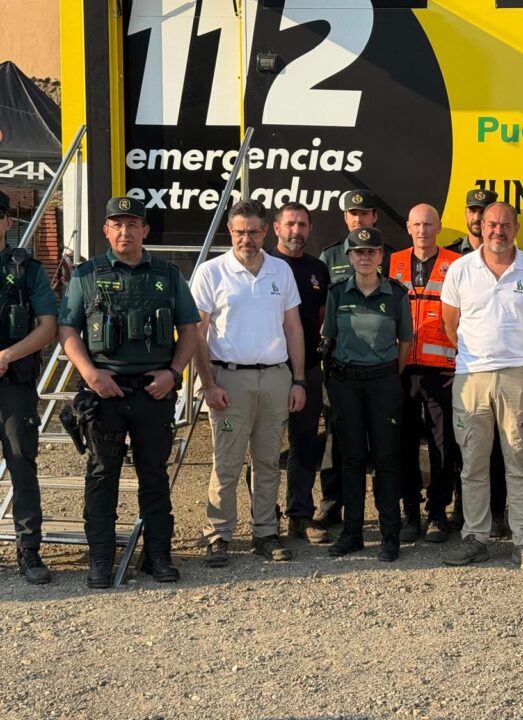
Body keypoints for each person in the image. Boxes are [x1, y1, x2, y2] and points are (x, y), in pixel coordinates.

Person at [58, 196, 199, 588]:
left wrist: (174, 372)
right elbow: (67, 331)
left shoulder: (168, 275)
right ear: (106, 230)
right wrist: (90, 374)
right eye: (117, 224)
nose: (125, 231)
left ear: (145, 231)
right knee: (102, 476)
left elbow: (190, 330)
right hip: (105, 392)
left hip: (153, 393)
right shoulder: (86, 276)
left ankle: (158, 556)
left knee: (154, 476)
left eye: (133, 224)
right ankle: (100, 559)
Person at [192, 200, 306, 567]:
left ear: (265, 232)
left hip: (275, 378)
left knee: (268, 460)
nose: (247, 238)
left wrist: (298, 380)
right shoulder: (212, 272)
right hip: (230, 379)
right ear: (231, 232)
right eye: (240, 231)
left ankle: (265, 532)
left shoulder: (281, 271)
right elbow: (198, 333)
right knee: (227, 462)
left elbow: (293, 328)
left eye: (254, 232)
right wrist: (207, 383)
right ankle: (219, 535)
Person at [440, 202, 523, 571]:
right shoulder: (460, 269)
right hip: (471, 378)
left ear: (517, 227)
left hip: (518, 376)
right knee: (473, 462)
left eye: (505, 224)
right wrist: (477, 360)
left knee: (519, 461)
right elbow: (450, 324)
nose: (497, 231)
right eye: (491, 224)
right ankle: (476, 537)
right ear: (479, 227)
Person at [322, 227, 412, 562]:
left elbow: (405, 344)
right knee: (352, 458)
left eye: (371, 252)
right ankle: (353, 533)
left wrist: (385, 373)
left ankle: (390, 536)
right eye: (358, 252)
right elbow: (328, 337)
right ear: (349, 256)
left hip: (383, 384)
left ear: (380, 256)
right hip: (346, 385)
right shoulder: (337, 294)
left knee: (387, 459)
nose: (364, 257)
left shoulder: (396, 295)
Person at [389, 203, 460, 544]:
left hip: (442, 370)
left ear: (439, 227)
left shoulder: (457, 264)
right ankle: (410, 512)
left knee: (443, 445)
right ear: (407, 227)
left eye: (429, 224)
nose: (422, 230)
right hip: (402, 369)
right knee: (402, 443)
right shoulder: (392, 262)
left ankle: (437, 512)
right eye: (417, 224)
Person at [0, 190, 57, 584]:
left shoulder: (25, 269)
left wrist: (5, 356)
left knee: (22, 464)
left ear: (7, 221)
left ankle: (28, 550)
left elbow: (48, 328)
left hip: (13, 382)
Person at [269, 202, 330, 545]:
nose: (296, 231)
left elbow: (319, 318)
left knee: (304, 444)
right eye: (290, 224)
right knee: (264, 446)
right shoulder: (263, 265)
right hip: (268, 369)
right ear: (276, 228)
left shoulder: (317, 269)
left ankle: (300, 514)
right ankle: (265, 517)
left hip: (305, 370)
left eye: (302, 225)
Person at [445, 188, 505, 532]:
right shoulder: (455, 258)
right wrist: (468, 351)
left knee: (504, 451)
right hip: (467, 369)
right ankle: (463, 512)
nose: (479, 217)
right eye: (474, 210)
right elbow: (450, 321)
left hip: (507, 372)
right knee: (468, 448)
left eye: (485, 211)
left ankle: (496, 513)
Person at [319, 189, 395, 286]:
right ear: (345, 217)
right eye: (353, 213)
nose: (358, 219)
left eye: (364, 213)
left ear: (375, 216)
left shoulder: (391, 256)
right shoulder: (330, 256)